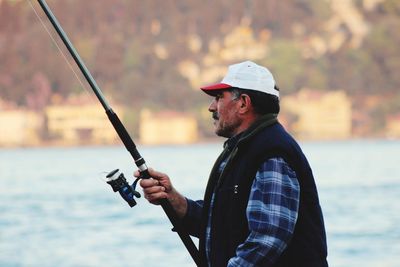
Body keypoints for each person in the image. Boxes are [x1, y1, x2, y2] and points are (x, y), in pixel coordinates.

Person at [138, 61, 328, 267]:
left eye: (219, 98)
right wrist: (173, 199)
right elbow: (221, 223)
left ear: (244, 104)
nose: (212, 107)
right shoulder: (243, 150)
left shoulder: (272, 151)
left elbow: (269, 238)